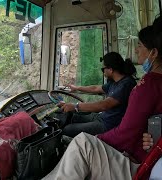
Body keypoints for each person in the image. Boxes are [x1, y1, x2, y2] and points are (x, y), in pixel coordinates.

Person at [43, 16, 162, 180]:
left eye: (139, 45)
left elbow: (107, 107)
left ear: (154, 52)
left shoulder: (142, 85)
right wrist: (76, 88)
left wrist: (96, 138)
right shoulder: (119, 83)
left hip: (135, 159)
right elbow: (95, 89)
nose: (136, 50)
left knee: (81, 141)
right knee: (73, 118)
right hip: (142, 152)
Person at [60, 52, 137, 137]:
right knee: (70, 116)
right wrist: (77, 88)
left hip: (108, 124)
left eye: (103, 69)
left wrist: (76, 106)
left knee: (68, 130)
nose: (103, 72)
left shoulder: (126, 84)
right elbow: (95, 88)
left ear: (110, 69)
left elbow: (104, 105)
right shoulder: (114, 82)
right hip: (102, 117)